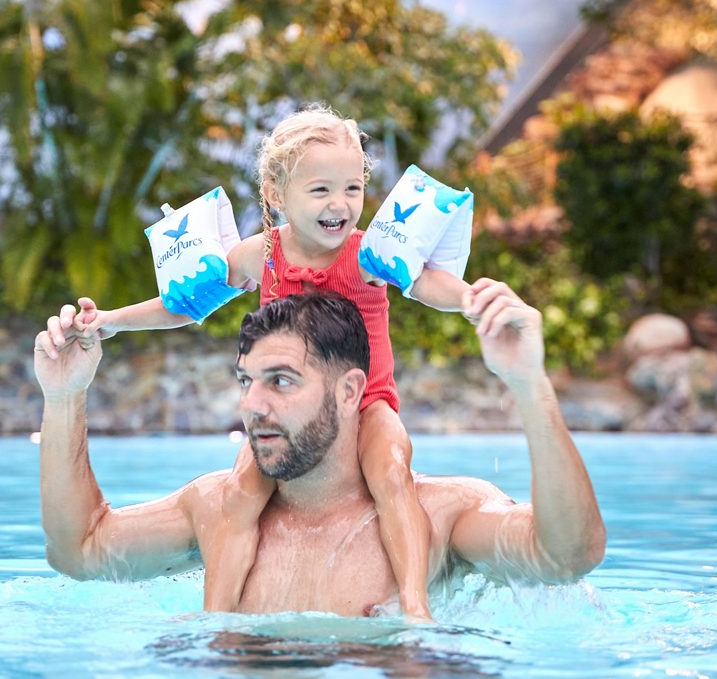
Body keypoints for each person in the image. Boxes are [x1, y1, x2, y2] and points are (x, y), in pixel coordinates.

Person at [79, 105, 472, 620]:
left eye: (352, 189)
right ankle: (217, 618)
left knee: (393, 474)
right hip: (287, 415)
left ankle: (416, 610)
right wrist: (111, 320)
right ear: (275, 194)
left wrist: (472, 300)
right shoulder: (262, 255)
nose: (340, 204)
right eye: (320, 190)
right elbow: (184, 304)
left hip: (366, 402)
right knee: (241, 491)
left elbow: (428, 285)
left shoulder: (367, 256)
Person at [33, 287, 605, 617]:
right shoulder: (215, 509)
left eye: (281, 381)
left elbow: (567, 556)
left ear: (351, 391)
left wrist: (530, 384)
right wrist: (64, 397)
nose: (253, 405)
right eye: (247, 381)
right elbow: (78, 552)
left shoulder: (439, 516)